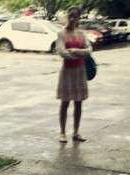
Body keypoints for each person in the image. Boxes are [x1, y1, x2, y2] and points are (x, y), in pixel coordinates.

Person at [56, 7, 92, 143]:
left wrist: (75, 50)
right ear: (67, 17)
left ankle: (76, 132)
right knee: (65, 102)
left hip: (80, 72)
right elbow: (62, 52)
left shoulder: (82, 34)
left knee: (79, 103)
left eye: (75, 17)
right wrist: (77, 53)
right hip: (67, 72)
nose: (72, 19)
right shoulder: (61, 34)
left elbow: (89, 50)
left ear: (78, 19)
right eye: (70, 16)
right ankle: (62, 133)